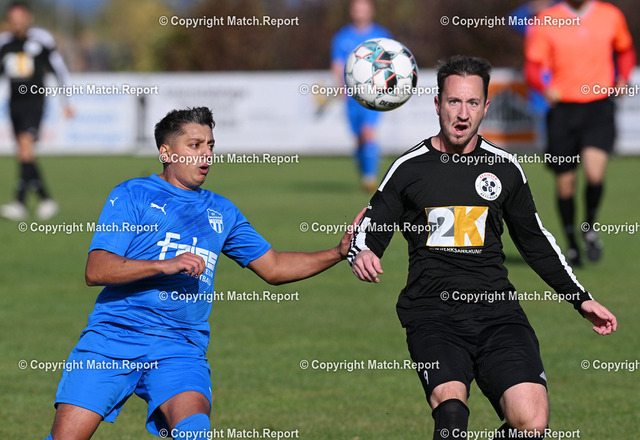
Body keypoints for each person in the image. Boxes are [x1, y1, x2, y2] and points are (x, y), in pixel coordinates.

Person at [43, 107, 363, 440]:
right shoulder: (132, 194)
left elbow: (275, 267)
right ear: (166, 152)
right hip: (113, 339)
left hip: (179, 345)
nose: (206, 154)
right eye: (195, 145)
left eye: (210, 145)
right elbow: (96, 269)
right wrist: (164, 265)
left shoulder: (222, 211)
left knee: (193, 431)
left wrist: (337, 252)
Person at [349, 56, 617, 440]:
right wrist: (363, 252)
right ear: (437, 103)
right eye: (454, 102)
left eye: (472, 103)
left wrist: (580, 299)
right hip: (433, 316)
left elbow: (535, 242)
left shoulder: (505, 169)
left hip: (498, 315)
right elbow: (369, 229)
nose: (463, 113)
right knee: (452, 414)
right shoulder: (409, 168)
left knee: (532, 424)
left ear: (485, 107)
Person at [524, 0, 636, 266]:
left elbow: (625, 50)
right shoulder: (547, 19)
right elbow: (532, 66)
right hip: (563, 110)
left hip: (599, 107)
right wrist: (543, 87)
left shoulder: (610, 15)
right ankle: (572, 243)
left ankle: (589, 227)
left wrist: (623, 76)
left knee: (595, 174)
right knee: (566, 184)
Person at [0, 1, 73, 221]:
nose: (17, 24)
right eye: (13, 20)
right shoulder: (4, 43)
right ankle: (44, 200)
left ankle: (21, 202)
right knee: (24, 153)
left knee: (25, 148)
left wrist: (67, 101)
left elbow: (59, 69)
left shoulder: (42, 40)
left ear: (29, 19)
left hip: (34, 103)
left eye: (20, 19)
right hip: (14, 104)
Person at [331, 0, 391, 192]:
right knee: (359, 139)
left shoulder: (381, 35)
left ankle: (370, 178)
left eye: (364, 8)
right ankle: (365, 172)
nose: (360, 12)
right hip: (351, 96)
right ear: (351, 11)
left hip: (374, 94)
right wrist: (340, 86)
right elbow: (337, 64)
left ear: (371, 11)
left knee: (368, 132)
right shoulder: (342, 37)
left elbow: (393, 62)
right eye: (357, 8)